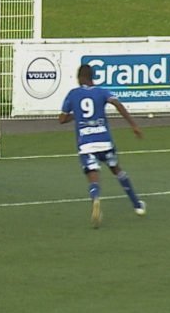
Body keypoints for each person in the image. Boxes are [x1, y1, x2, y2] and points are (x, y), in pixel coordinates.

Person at [59, 64, 146, 229]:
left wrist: (76, 115)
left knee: (93, 176)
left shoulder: (73, 94)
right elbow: (117, 104)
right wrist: (133, 125)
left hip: (86, 144)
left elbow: (61, 119)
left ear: (79, 78)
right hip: (104, 141)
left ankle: (96, 198)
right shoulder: (102, 91)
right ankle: (137, 205)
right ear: (93, 77)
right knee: (117, 170)